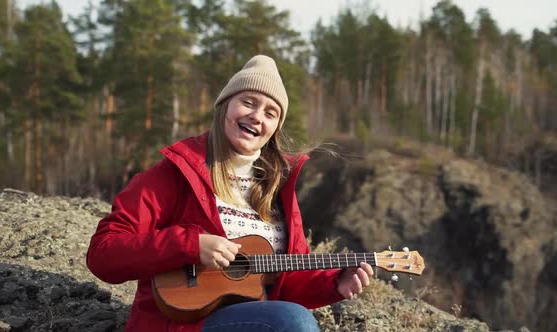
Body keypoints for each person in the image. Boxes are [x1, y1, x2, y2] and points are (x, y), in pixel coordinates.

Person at [86, 55, 374, 332]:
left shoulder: (277, 190)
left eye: (270, 113)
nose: (257, 117)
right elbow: (104, 253)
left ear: (275, 128)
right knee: (293, 321)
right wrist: (191, 245)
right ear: (224, 105)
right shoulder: (175, 173)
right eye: (248, 102)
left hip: (253, 321)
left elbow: (285, 285)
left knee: (292, 318)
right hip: (181, 325)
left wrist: (334, 284)